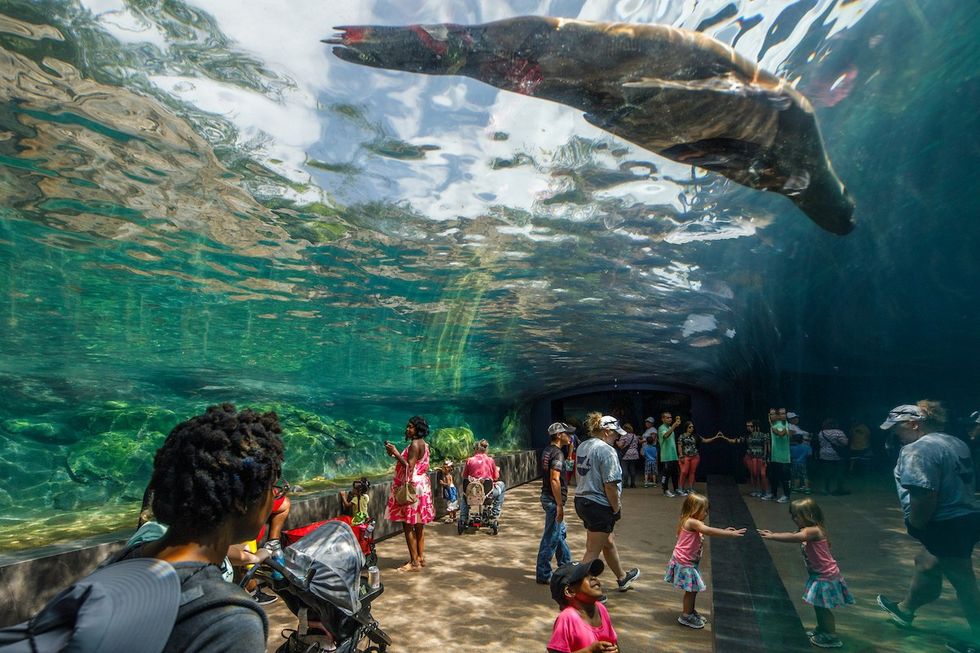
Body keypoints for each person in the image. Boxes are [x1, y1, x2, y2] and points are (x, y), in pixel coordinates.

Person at [110, 403, 283, 652]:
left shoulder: (127, 557)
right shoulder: (230, 620)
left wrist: (259, 555)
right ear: (243, 501)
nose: (276, 497)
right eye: (273, 488)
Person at [876, 402, 980, 653]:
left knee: (963, 581)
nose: (896, 434)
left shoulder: (917, 450)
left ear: (914, 424)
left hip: (944, 523)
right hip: (967, 516)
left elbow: (925, 496)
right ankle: (905, 609)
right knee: (927, 562)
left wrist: (916, 524)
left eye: (897, 428)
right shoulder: (954, 442)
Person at [760, 498, 854, 648]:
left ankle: (831, 635)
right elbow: (796, 534)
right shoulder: (808, 530)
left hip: (826, 576)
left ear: (809, 515)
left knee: (823, 608)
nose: (794, 519)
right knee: (819, 605)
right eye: (793, 516)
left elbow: (795, 537)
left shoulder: (813, 531)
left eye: (797, 516)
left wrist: (772, 536)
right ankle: (822, 629)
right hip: (818, 575)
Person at [575, 413, 641, 595]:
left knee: (608, 541)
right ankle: (582, 590)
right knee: (591, 552)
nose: (617, 437)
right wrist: (616, 508)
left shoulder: (583, 446)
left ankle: (622, 577)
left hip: (582, 500)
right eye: (615, 434)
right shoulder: (606, 450)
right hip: (599, 505)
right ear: (606, 432)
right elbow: (610, 485)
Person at [665, 492, 746, 629]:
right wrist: (729, 533)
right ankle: (686, 616)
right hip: (686, 563)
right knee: (690, 591)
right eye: (705, 510)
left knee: (693, 589)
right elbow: (708, 531)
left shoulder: (690, 520)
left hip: (688, 562)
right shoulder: (692, 522)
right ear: (694, 510)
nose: (707, 513)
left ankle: (690, 611)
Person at [384, 415, 435, 572]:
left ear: (417, 429)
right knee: (419, 524)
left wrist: (395, 453)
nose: (407, 429)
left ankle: (413, 562)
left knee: (408, 525)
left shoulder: (414, 444)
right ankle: (420, 557)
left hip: (411, 486)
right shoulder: (424, 444)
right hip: (422, 486)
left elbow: (409, 466)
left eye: (410, 426)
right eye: (408, 426)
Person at [546, 560, 619, 653]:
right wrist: (590, 651)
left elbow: (614, 643)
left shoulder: (601, 609)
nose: (593, 577)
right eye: (584, 576)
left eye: (592, 574)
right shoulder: (567, 618)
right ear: (570, 591)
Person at [537, 422, 575, 584]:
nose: (570, 436)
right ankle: (544, 573)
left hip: (548, 497)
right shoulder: (557, 454)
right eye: (567, 433)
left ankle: (566, 565)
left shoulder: (547, 450)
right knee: (551, 537)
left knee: (559, 533)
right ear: (559, 435)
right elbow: (554, 479)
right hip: (553, 500)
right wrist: (559, 504)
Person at [461, 438, 506, 523]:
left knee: (464, 495)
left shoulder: (469, 460)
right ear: (486, 449)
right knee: (502, 485)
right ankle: (495, 512)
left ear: (476, 449)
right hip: (488, 494)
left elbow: (464, 476)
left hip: (472, 493)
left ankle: (463, 517)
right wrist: (497, 470)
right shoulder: (490, 460)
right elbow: (496, 477)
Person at [765, 408, 792, 503]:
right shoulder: (773, 424)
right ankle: (773, 494)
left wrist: (772, 427)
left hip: (784, 457)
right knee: (773, 476)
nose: (771, 416)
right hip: (774, 456)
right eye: (770, 414)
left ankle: (786, 495)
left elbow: (780, 434)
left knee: (784, 477)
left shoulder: (783, 424)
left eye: (773, 414)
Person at [816, 419, 850, 496]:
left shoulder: (821, 433)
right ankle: (839, 489)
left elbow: (819, 442)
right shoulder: (839, 432)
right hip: (837, 454)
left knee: (827, 472)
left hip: (824, 454)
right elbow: (845, 443)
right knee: (840, 471)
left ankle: (826, 489)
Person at [658, 411, 682, 497]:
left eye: (670, 417)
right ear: (663, 419)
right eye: (667, 417)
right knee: (666, 474)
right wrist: (674, 426)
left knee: (675, 474)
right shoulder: (662, 428)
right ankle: (665, 490)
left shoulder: (670, 428)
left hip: (673, 455)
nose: (670, 419)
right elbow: (665, 435)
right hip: (666, 456)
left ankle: (676, 489)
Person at [744, 419, 769, 497]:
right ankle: (756, 490)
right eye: (747, 426)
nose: (748, 428)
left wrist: (765, 456)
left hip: (760, 457)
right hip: (751, 457)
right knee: (754, 473)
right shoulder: (749, 436)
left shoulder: (763, 435)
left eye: (750, 426)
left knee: (762, 474)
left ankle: (764, 491)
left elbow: (766, 446)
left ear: (755, 426)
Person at [677, 421, 701, 496]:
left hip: (695, 456)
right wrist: (681, 455)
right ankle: (680, 488)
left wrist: (716, 437)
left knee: (692, 472)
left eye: (692, 427)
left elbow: (705, 440)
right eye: (690, 427)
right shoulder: (682, 436)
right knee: (684, 472)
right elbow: (679, 445)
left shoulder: (695, 436)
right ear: (686, 428)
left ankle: (691, 488)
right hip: (685, 456)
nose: (692, 428)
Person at [614, 423, 641, 489]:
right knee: (632, 469)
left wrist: (616, 442)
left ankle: (625, 483)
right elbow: (638, 442)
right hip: (634, 454)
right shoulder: (634, 436)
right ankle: (633, 483)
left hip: (626, 454)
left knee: (624, 469)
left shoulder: (624, 436)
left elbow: (620, 445)